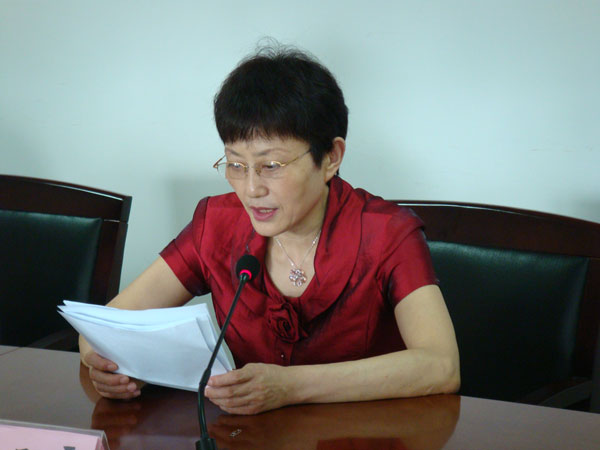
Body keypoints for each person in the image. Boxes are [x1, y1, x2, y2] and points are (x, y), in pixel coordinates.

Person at [80, 45, 460, 415]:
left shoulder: (387, 234)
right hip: (246, 437)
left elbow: (441, 366)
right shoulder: (217, 223)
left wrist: (291, 387)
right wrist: (116, 366)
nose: (251, 189)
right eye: (235, 164)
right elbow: (101, 331)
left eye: (271, 166)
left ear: (331, 157)